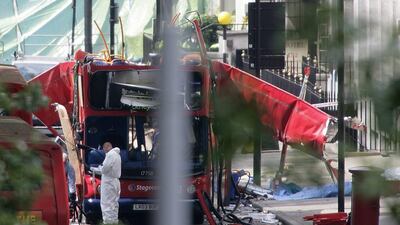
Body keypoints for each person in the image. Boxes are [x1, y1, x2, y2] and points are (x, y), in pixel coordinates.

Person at [92, 141, 121, 224]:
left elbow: (105, 169)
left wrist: (96, 169)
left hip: (109, 182)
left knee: (106, 205)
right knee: (114, 205)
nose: (103, 149)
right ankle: (114, 222)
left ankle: (108, 223)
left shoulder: (110, 155)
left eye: (104, 147)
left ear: (107, 147)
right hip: (115, 182)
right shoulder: (117, 155)